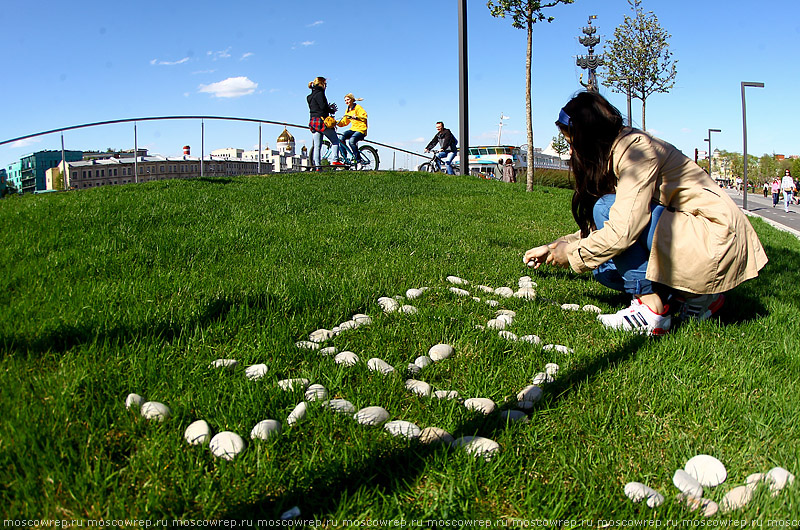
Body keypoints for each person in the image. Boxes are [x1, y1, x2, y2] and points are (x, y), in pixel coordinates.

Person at [523, 92, 768, 336]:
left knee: (604, 208)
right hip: (707, 240)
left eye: (571, 141)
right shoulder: (622, 148)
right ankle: (698, 296)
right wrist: (560, 245)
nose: (572, 149)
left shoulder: (635, 151)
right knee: (603, 270)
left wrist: (573, 254)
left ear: (588, 135)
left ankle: (651, 310)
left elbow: (623, 228)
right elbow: (621, 219)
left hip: (714, 238)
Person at [307, 77, 341, 170]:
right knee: (335, 141)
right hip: (322, 121)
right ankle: (335, 160)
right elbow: (323, 108)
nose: (326, 86)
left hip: (313, 122)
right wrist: (331, 110)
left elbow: (316, 108)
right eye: (325, 84)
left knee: (317, 146)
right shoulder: (320, 94)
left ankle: (318, 166)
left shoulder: (309, 97)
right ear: (321, 84)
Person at [337, 93, 368, 165]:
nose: (346, 102)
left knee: (351, 141)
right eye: (345, 100)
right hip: (353, 129)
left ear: (352, 100)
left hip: (361, 129)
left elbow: (365, 116)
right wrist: (336, 123)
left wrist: (357, 117)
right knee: (341, 137)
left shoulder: (357, 107)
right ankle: (344, 157)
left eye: (348, 99)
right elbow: (345, 122)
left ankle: (359, 160)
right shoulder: (347, 110)